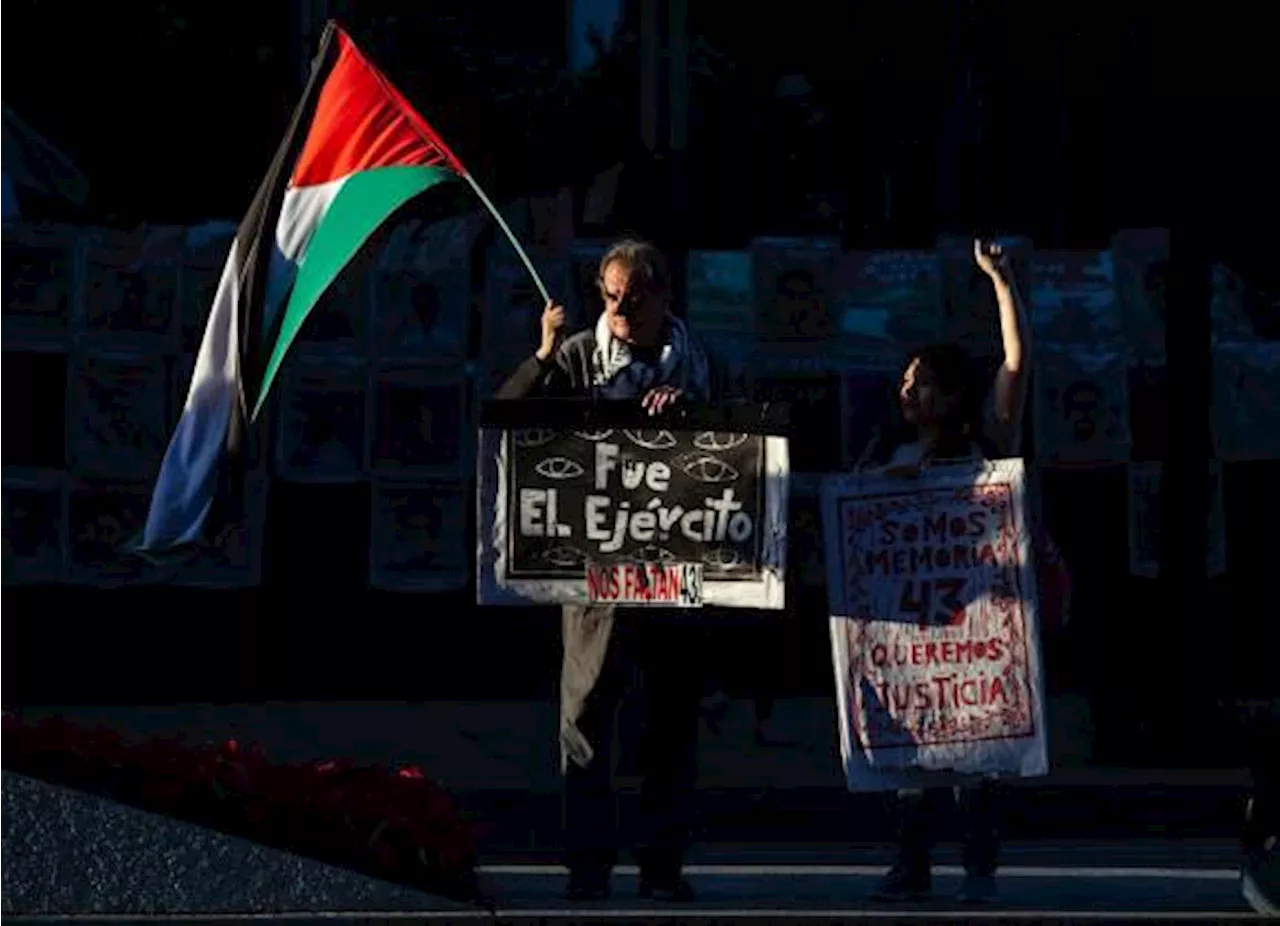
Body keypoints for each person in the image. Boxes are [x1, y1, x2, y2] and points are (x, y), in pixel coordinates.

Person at [495, 238, 715, 903]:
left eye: (636, 294)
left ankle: (661, 867)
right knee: (585, 720)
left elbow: (741, 447)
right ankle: (588, 867)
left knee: (669, 724)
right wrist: (542, 353)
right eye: (612, 293)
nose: (621, 306)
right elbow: (507, 415)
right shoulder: (576, 357)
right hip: (596, 581)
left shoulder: (702, 362)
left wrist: (691, 414)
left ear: (663, 296)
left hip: (676, 577)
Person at [851, 238, 1032, 904]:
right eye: (904, 381)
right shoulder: (887, 448)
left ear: (953, 394)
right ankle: (912, 862)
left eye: (920, 381)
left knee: (975, 758)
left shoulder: (986, 443)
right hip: (912, 635)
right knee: (912, 757)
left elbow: (1016, 362)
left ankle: (978, 863)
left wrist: (1001, 283)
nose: (906, 391)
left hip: (975, 628)